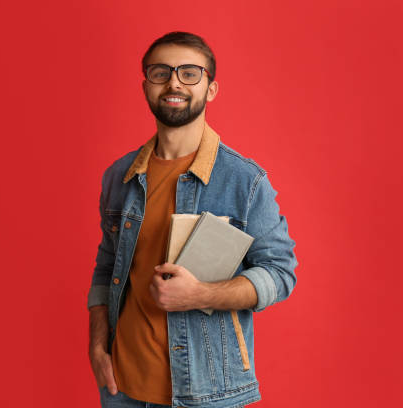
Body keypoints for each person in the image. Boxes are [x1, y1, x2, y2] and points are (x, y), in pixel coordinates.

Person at [87, 31, 298, 408]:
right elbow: (107, 267)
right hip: (121, 389)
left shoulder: (244, 181)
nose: (173, 82)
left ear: (211, 89)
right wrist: (98, 346)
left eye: (189, 73)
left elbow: (281, 274)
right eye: (160, 72)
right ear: (146, 85)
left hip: (205, 394)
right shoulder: (118, 176)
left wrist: (200, 295)